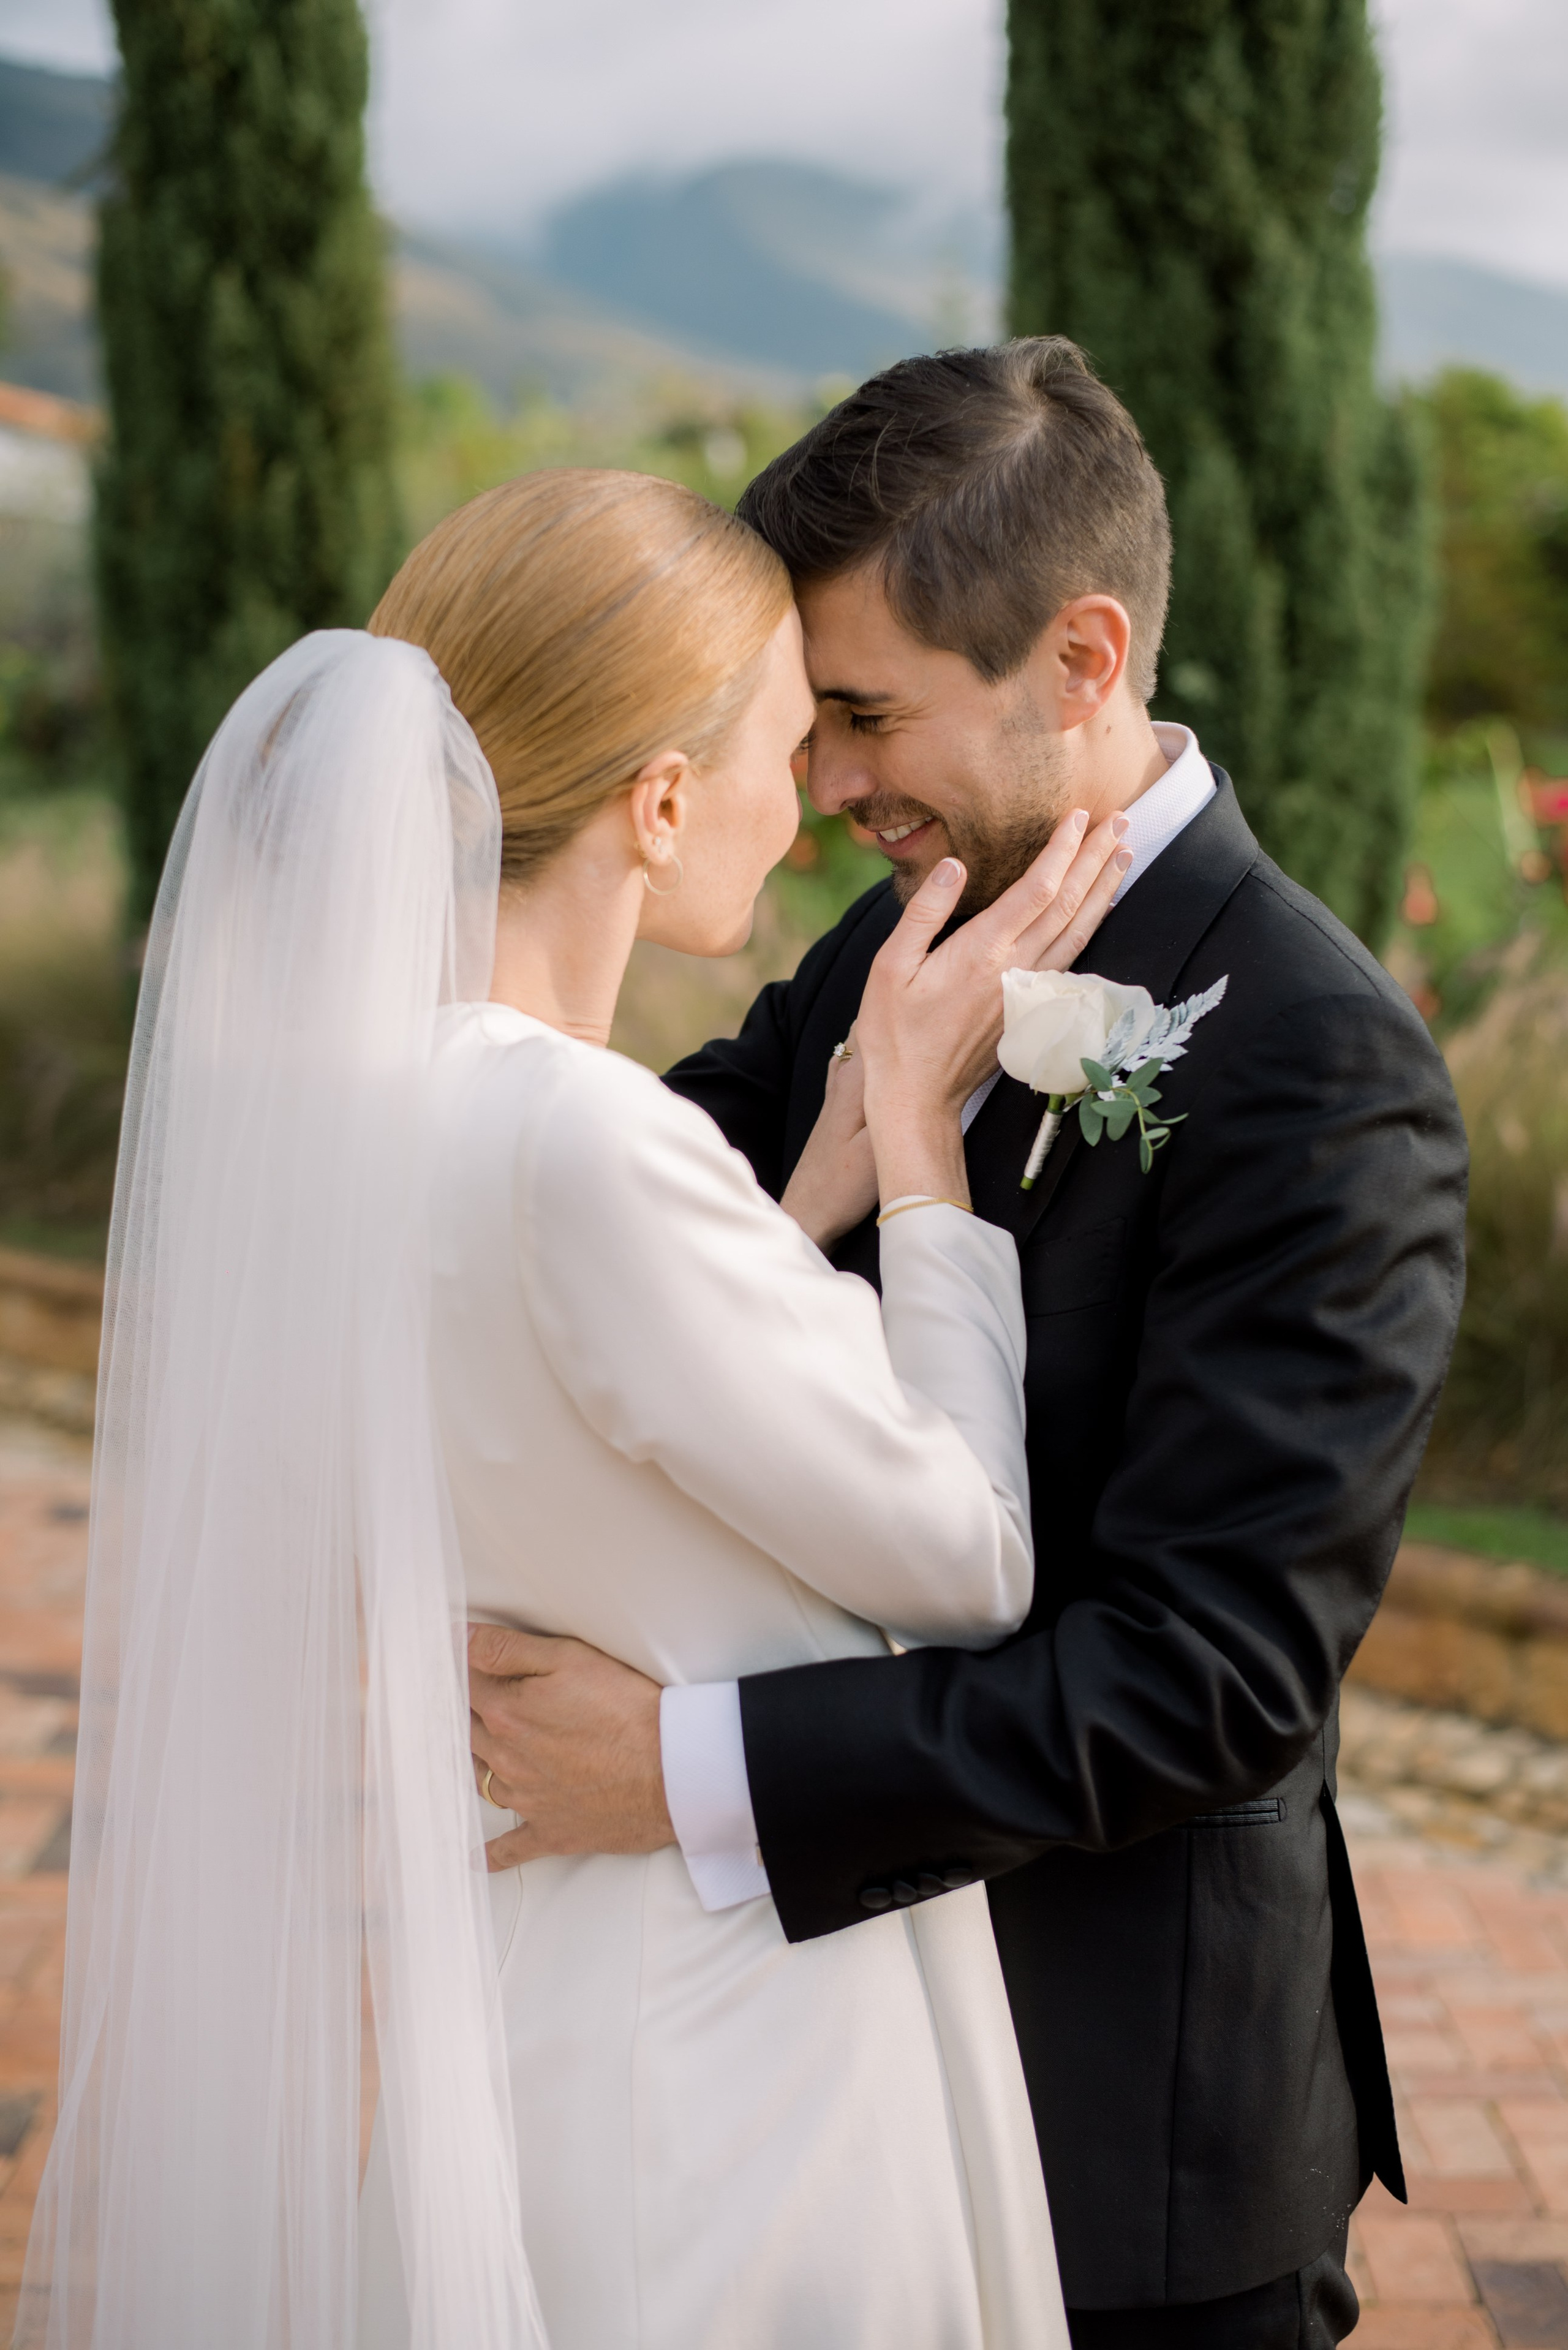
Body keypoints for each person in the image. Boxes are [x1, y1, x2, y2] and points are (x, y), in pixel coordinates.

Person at [18, 465, 1132, 2350]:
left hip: (542, 1990)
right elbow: (970, 1557)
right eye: (786, 741)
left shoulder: (371, 1111)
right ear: (663, 798)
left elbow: (600, 1397)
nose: (811, 802)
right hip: (738, 2056)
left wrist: (798, 1205)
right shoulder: (589, 1139)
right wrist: (922, 1153)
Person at [464, 341, 1471, 2349]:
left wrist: (676, 1765)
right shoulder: (895, 934)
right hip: (812, 2099)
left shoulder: (1320, 1063)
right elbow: (646, 1229)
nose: (825, 783)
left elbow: (1203, 1679)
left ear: (1082, 658)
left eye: (862, 712)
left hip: (1124, 2135)